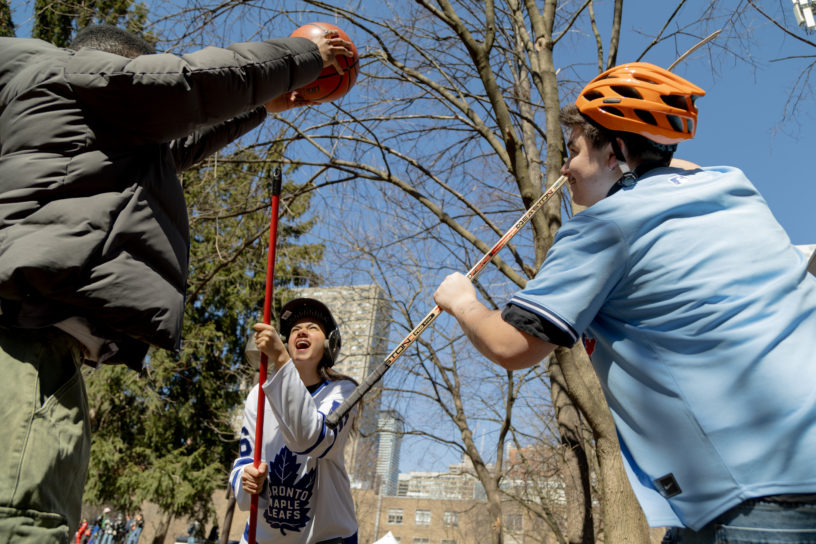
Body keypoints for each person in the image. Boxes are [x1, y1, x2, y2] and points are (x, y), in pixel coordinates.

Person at [0, 23, 353, 544]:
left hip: (36, 340)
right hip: (30, 346)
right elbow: (191, 83)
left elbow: (169, 151)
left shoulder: (57, 116)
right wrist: (304, 55)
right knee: (22, 520)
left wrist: (260, 108)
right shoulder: (85, 77)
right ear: (124, 72)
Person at [433, 62, 816, 542]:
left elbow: (512, 345)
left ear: (614, 151)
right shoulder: (737, 190)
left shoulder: (605, 227)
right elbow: (680, 169)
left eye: (573, 151)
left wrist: (462, 300)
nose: (564, 168)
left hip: (749, 497)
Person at [229, 298, 359, 543]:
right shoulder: (258, 395)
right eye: (294, 329)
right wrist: (247, 478)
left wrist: (280, 358)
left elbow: (309, 440)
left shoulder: (343, 392)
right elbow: (243, 462)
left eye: (313, 327)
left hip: (327, 538)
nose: (302, 331)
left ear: (330, 343)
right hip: (262, 537)